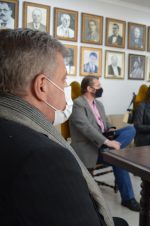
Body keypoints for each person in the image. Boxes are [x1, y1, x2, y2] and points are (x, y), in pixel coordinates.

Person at [0, 29, 128, 226]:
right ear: (42, 86)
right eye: (63, 79)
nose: (66, 86)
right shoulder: (45, 158)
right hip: (91, 145)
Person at [69, 75, 140, 212]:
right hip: (90, 146)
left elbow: (105, 123)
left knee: (130, 129)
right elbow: (86, 129)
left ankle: (112, 149)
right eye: (98, 86)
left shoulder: (99, 104)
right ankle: (129, 198)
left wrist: (111, 129)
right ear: (89, 88)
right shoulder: (78, 104)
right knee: (119, 159)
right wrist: (107, 141)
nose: (101, 88)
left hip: (105, 143)